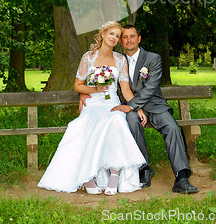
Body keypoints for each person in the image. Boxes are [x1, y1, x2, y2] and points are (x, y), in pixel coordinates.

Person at [81, 24, 198, 194]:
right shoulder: (116, 59)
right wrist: (84, 94)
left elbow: (150, 88)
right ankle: (144, 169)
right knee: (131, 122)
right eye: (125, 37)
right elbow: (96, 81)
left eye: (132, 36)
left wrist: (131, 106)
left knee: (172, 128)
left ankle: (181, 177)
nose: (129, 40)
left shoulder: (153, 58)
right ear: (121, 41)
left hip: (154, 106)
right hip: (131, 109)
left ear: (139, 39)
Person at [38, 21, 147, 195]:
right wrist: (94, 89)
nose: (114, 38)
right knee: (80, 127)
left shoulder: (120, 60)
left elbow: (125, 90)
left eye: (117, 36)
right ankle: (87, 178)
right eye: (112, 34)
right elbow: (78, 86)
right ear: (103, 34)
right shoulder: (88, 57)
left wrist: (137, 107)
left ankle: (114, 175)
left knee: (117, 121)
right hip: (93, 104)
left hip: (111, 104)